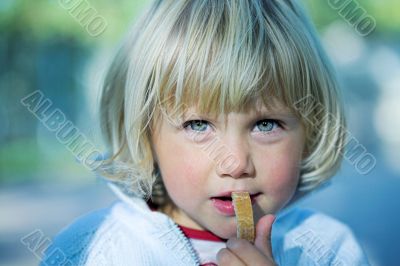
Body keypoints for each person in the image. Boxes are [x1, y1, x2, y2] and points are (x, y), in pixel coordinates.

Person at [41, 0, 370, 265]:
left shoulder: (329, 251)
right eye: (198, 125)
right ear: (145, 135)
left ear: (310, 132)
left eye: (265, 124)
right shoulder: (93, 251)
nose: (234, 162)